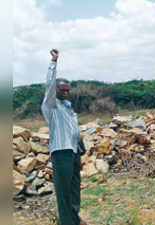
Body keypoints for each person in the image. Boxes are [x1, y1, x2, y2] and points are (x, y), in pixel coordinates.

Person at [41, 49, 87, 225]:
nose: (66, 93)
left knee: (75, 188)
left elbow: (71, 130)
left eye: (68, 90)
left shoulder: (68, 107)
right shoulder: (51, 107)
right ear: (56, 91)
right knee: (63, 191)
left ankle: (74, 217)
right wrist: (53, 62)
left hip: (73, 152)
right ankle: (67, 222)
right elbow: (49, 85)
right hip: (61, 153)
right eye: (62, 90)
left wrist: (79, 142)